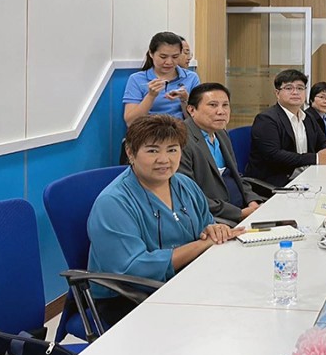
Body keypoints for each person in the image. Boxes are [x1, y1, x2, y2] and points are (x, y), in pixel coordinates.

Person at [87, 115, 242, 324]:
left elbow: (206, 223)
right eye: (152, 151)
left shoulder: (185, 184)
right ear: (130, 153)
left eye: (172, 149)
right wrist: (201, 245)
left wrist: (214, 230)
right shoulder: (113, 202)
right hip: (130, 296)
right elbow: (133, 268)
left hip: (186, 280)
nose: (164, 160)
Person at [179, 83, 263, 226]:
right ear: (191, 110)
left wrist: (252, 201)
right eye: (213, 105)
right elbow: (188, 195)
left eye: (225, 105)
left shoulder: (221, 133)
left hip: (243, 209)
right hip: (217, 219)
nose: (221, 111)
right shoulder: (181, 140)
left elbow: (236, 175)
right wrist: (239, 213)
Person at [245, 69, 326, 187]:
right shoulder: (266, 119)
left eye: (300, 88)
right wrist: (316, 158)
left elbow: (323, 142)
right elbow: (274, 155)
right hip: (277, 182)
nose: (295, 92)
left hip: (306, 175)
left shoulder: (308, 117)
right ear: (277, 93)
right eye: (289, 88)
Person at [123, 32, 200, 125]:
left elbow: (197, 121)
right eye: (163, 57)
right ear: (151, 53)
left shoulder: (191, 77)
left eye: (175, 57)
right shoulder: (136, 79)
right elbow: (131, 121)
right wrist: (151, 96)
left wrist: (185, 100)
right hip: (149, 131)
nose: (169, 62)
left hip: (181, 130)